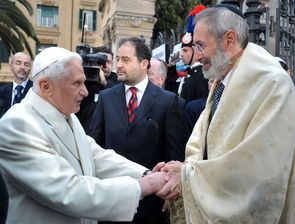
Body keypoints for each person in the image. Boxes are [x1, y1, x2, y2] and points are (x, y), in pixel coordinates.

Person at [157, 5, 295, 224]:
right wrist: (185, 171)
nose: (197, 55)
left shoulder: (273, 84)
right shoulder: (221, 78)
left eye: (201, 45)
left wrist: (187, 178)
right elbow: (202, 141)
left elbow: (259, 171)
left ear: (229, 40)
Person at [0, 47, 168, 224]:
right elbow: (69, 191)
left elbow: (95, 155)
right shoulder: (17, 125)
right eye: (76, 83)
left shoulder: (66, 113)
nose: (86, 92)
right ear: (46, 86)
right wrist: (144, 186)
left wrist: (145, 174)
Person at [89, 37, 189, 224]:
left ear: (144, 63)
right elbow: (95, 145)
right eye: (118, 59)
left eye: (125, 60)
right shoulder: (106, 98)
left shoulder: (167, 101)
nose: (118, 65)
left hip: (152, 206)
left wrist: (169, 191)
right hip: (112, 201)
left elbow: (174, 153)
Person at [76, 46, 120, 132]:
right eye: (101, 62)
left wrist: (105, 83)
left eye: (108, 62)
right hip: (83, 130)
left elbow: (120, 98)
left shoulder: (118, 81)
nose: (105, 66)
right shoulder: (85, 78)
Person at [176, 4, 209, 103]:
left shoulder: (202, 75)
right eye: (182, 50)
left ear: (196, 50)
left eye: (185, 51)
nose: (181, 54)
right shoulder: (189, 72)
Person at [0, 52, 33, 118]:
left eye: (26, 64)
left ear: (30, 68)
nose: (22, 67)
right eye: (18, 63)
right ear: (11, 66)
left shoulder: (36, 91)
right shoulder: (2, 91)